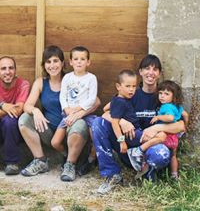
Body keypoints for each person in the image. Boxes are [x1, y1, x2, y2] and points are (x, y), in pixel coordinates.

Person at [92, 54, 186, 194]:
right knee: (98, 123)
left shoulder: (164, 96)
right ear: (140, 72)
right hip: (128, 148)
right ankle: (112, 175)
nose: (150, 72)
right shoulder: (130, 93)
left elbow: (180, 126)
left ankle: (149, 172)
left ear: (159, 73)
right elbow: (106, 113)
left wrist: (156, 127)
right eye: (147, 68)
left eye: (155, 69)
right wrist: (122, 121)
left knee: (162, 154)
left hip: (150, 148)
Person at [18, 46, 100, 179]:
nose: (52, 65)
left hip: (72, 127)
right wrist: (35, 110)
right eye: (48, 62)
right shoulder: (41, 83)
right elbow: (27, 105)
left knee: (79, 124)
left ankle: (70, 165)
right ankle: (40, 160)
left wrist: (78, 114)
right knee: (24, 119)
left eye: (55, 61)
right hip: (50, 131)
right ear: (44, 65)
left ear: (63, 63)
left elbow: (96, 102)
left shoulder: (73, 79)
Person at [50, 46, 98, 181]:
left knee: (96, 136)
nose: (79, 62)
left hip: (85, 114)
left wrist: (77, 110)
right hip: (68, 114)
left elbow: (92, 99)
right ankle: (67, 157)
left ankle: (90, 160)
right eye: (76, 59)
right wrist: (66, 109)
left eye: (83, 59)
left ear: (88, 62)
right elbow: (62, 96)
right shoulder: (67, 78)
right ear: (70, 62)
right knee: (55, 142)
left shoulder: (91, 78)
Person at [127, 80, 185, 179]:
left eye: (166, 94)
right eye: (160, 93)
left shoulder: (165, 107)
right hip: (174, 137)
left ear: (173, 96)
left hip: (165, 135)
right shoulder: (178, 107)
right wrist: (184, 129)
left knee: (156, 139)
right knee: (173, 156)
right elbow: (185, 116)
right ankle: (174, 174)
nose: (162, 96)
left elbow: (170, 118)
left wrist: (158, 118)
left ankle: (139, 151)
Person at [0, 56, 29, 175]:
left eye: (11, 68)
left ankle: (12, 163)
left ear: (15, 70)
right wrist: (3, 105)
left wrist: (3, 106)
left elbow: (18, 110)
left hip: (13, 130)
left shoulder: (23, 84)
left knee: (10, 120)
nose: (7, 72)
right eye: (3, 68)